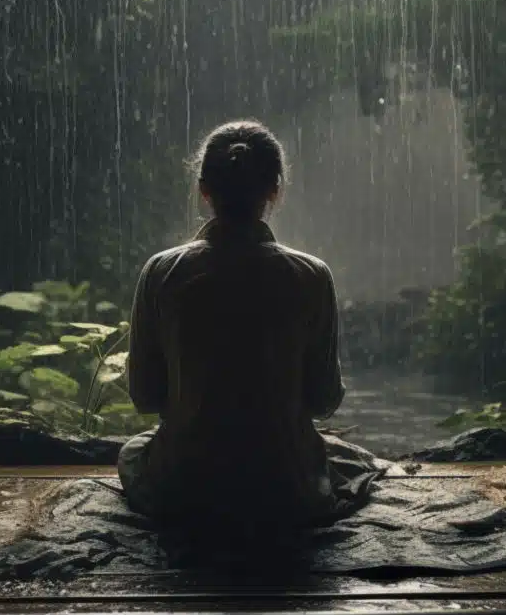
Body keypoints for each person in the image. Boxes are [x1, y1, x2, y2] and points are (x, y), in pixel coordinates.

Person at [117, 119, 354, 532]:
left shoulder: (162, 272)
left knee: (134, 451)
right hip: (286, 494)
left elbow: (144, 396)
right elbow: (323, 401)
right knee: (343, 460)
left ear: (204, 190)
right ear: (275, 190)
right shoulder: (312, 275)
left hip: (185, 493)